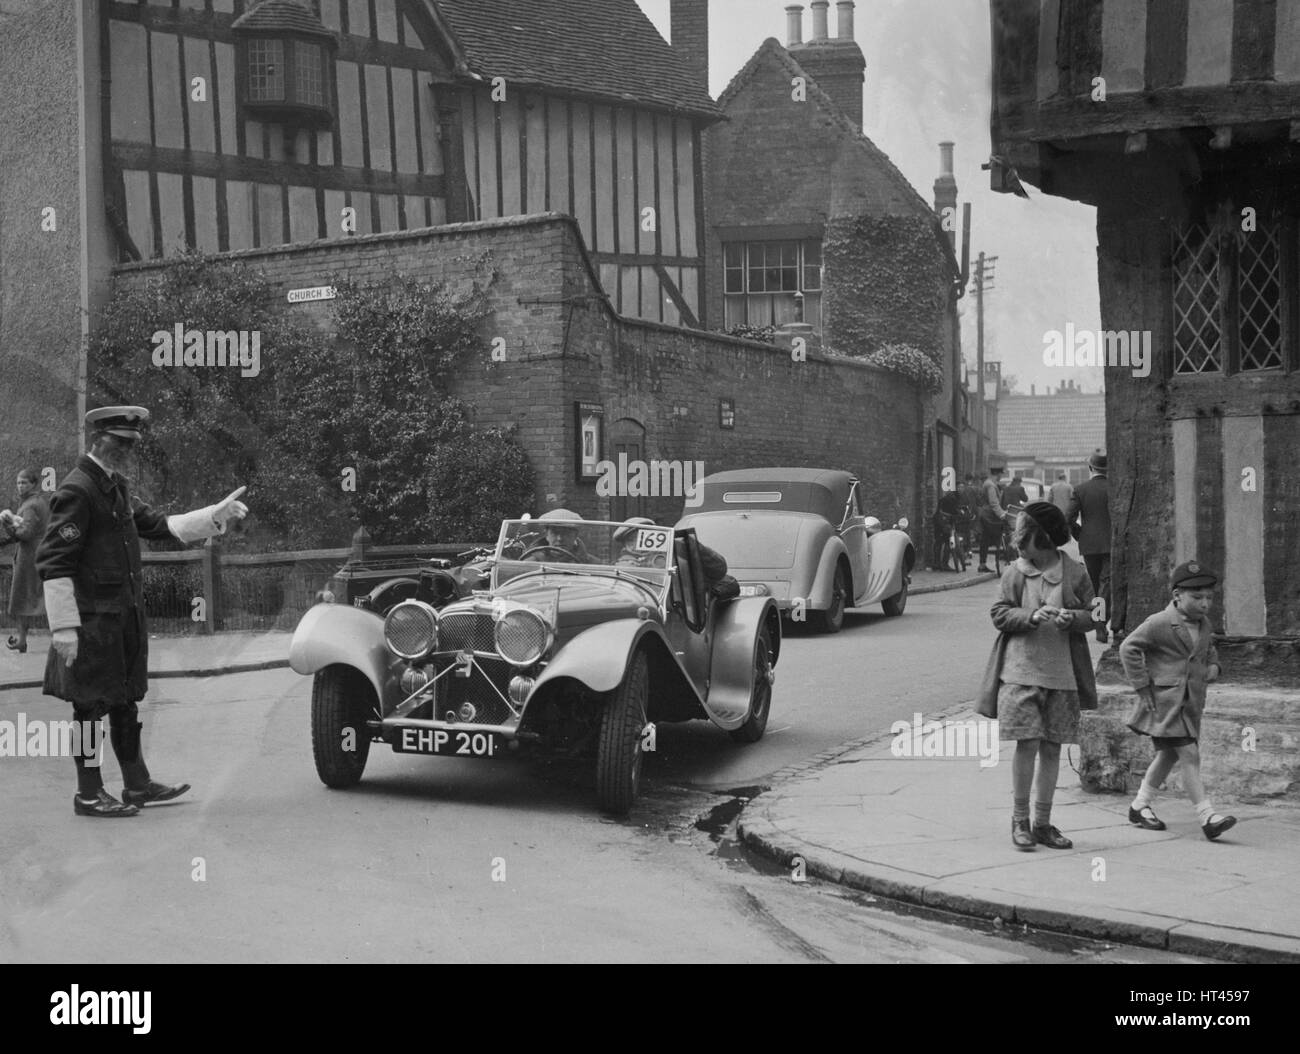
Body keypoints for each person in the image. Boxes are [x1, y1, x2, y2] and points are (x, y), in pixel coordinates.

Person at [38, 406, 249, 818]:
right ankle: (88, 793)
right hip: (90, 623)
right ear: (99, 441)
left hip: (122, 618)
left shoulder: (114, 486)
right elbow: (54, 561)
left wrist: (214, 516)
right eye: (121, 443)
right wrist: (63, 627)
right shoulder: (78, 489)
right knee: (87, 708)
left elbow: (160, 524)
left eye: (132, 445)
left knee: (124, 702)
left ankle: (137, 785)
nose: (128, 451)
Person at [986, 501, 1097, 850]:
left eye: (1024, 536)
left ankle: (1043, 823)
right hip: (1019, 673)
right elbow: (999, 614)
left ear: (1045, 537)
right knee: (1028, 743)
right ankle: (1020, 819)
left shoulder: (1076, 572)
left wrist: (1073, 618)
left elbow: (1094, 613)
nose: (1018, 543)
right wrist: (1030, 617)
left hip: (1062, 676)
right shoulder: (1014, 572)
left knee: (1051, 748)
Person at [1120, 561, 1236, 841]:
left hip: (1191, 704)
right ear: (1176, 596)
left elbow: (1209, 650)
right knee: (1189, 755)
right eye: (1197, 598)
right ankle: (1207, 816)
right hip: (1166, 703)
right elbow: (1128, 648)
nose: (1205, 603)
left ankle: (1139, 806)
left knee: (1169, 754)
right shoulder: (1159, 622)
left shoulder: (1205, 624)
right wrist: (1142, 685)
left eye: (1209, 597)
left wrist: (1214, 667)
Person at [2, 468, 50, 652]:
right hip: (38, 553)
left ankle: (22, 640)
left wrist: (8, 525)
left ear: (33, 484)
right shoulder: (36, 501)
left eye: (24, 483)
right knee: (36, 597)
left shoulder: (30, 505)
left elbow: (25, 534)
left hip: (29, 557)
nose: (20, 486)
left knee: (23, 598)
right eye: (18, 483)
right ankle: (22, 639)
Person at [1069, 450, 1111, 643]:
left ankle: (1099, 625)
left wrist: (1081, 535)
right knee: (1107, 585)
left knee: (1095, 586)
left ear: (1090, 468)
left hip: (1089, 545)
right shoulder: (1115, 487)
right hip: (1111, 544)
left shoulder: (1080, 489)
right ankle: (1103, 622)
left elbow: (1067, 518)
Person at [521, 508, 592, 563]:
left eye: (566, 533)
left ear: (575, 536)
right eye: (555, 533)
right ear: (546, 535)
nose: (560, 538)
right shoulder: (530, 563)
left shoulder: (592, 564)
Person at [975, 465, 1007, 573]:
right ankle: (998, 559)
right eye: (1001, 474)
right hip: (989, 517)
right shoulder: (991, 486)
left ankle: (982, 564)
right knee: (993, 537)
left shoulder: (989, 484)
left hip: (986, 515)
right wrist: (1002, 515)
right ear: (998, 474)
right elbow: (994, 503)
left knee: (985, 540)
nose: (1001, 476)